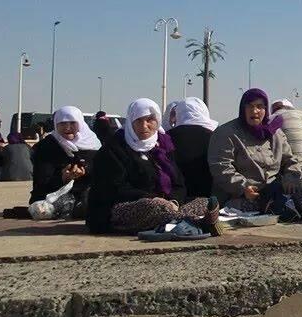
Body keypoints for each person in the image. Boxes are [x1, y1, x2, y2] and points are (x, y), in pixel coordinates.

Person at [209, 89, 302, 223]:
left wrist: (290, 177)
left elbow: (290, 160)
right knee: (275, 205)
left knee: (291, 196)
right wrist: (243, 187)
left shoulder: (274, 133)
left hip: (274, 190)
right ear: (243, 108)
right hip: (241, 195)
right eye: (250, 106)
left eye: (260, 106)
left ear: (266, 110)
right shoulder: (226, 133)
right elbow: (221, 167)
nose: (255, 111)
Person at [87, 98, 212, 234]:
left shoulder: (163, 145)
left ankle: (179, 219)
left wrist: (174, 201)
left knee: (205, 202)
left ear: (157, 121)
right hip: (123, 208)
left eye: (149, 120)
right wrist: (153, 198)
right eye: (138, 120)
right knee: (152, 207)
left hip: (166, 205)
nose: (144, 126)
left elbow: (179, 183)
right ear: (131, 122)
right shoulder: (114, 148)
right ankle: (189, 220)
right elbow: (115, 188)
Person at [30, 106, 101, 212]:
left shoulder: (93, 144)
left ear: (80, 123)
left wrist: (86, 170)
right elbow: (41, 183)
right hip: (52, 197)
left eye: (72, 123)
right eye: (62, 123)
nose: (67, 128)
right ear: (56, 124)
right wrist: (63, 178)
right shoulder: (46, 147)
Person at [168, 97, 218, 198]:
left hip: (174, 197)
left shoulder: (166, 137)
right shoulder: (215, 137)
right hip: (207, 195)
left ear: (179, 113)